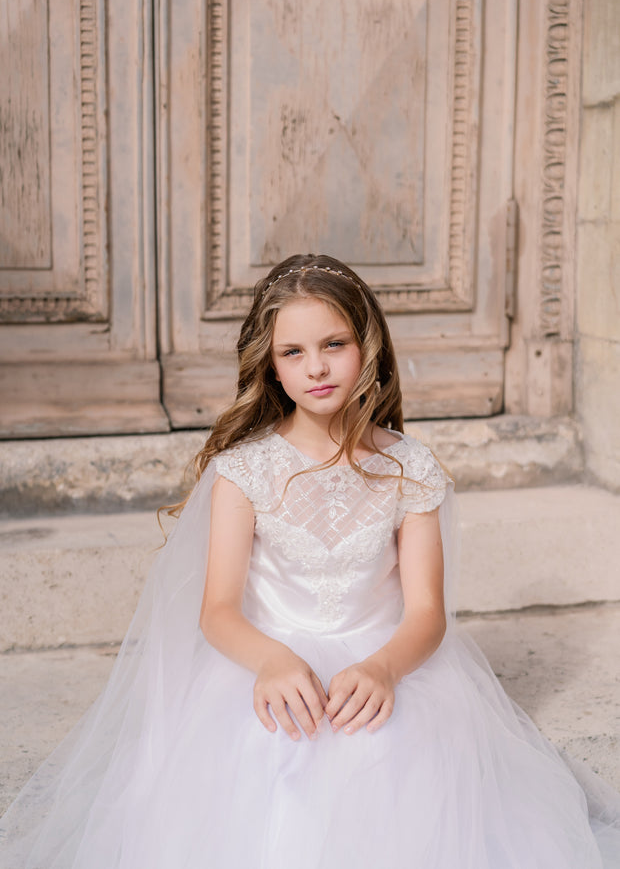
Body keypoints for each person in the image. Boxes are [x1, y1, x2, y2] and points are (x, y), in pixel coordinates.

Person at [1, 253, 619, 868]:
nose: (316, 367)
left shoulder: (410, 469)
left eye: (334, 344)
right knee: (272, 757)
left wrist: (382, 670)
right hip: (268, 659)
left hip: (382, 657)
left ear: (366, 344)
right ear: (270, 367)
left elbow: (427, 613)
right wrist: (271, 660)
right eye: (292, 352)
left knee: (390, 758)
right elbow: (217, 610)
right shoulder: (246, 471)